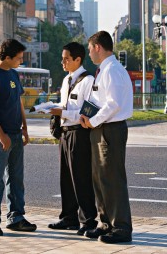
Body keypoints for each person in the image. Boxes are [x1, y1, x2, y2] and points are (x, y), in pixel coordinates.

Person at [80, 31, 133, 244]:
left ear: (98, 47)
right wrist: (87, 116)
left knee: (112, 179)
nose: (89, 53)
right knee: (100, 179)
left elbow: (113, 104)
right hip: (101, 128)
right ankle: (106, 223)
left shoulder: (112, 70)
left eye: (90, 48)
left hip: (110, 129)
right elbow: (99, 100)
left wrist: (92, 121)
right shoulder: (104, 70)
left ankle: (121, 227)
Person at [0, 39, 37, 236]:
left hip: (15, 133)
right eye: (19, 58)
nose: (21, 61)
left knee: (16, 178)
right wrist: (1, 135)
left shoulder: (13, 74)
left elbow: (18, 102)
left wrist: (25, 127)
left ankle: (16, 217)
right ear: (7, 57)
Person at [48, 42, 98, 236]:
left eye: (66, 59)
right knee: (66, 177)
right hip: (65, 133)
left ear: (78, 59)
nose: (63, 62)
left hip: (80, 133)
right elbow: (63, 105)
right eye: (62, 58)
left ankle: (88, 220)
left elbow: (88, 111)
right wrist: (54, 111)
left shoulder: (88, 81)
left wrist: (63, 112)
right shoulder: (66, 80)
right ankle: (69, 217)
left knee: (81, 177)